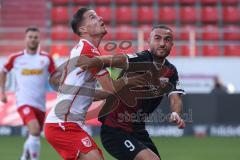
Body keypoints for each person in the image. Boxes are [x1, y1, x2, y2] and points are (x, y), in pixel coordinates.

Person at [44, 7, 147, 160]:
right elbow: (111, 88)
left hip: (65, 124)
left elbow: (95, 92)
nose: (99, 18)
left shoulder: (85, 49)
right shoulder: (88, 51)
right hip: (63, 125)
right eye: (92, 17)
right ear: (82, 29)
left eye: (97, 16)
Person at [76, 25, 186, 160]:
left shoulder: (171, 71)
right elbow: (113, 60)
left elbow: (175, 98)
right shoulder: (140, 59)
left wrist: (176, 113)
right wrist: (92, 61)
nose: (162, 43)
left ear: (172, 44)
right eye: (157, 39)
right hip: (115, 129)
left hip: (138, 130)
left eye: (167, 39)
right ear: (149, 41)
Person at [0, 26, 56, 160]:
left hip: (40, 104)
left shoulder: (46, 58)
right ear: (25, 39)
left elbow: (55, 76)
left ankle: (24, 157)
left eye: (35, 37)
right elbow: (3, 71)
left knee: (34, 135)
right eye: (30, 37)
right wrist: (3, 92)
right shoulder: (16, 58)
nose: (32, 39)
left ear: (39, 39)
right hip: (23, 101)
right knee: (35, 129)